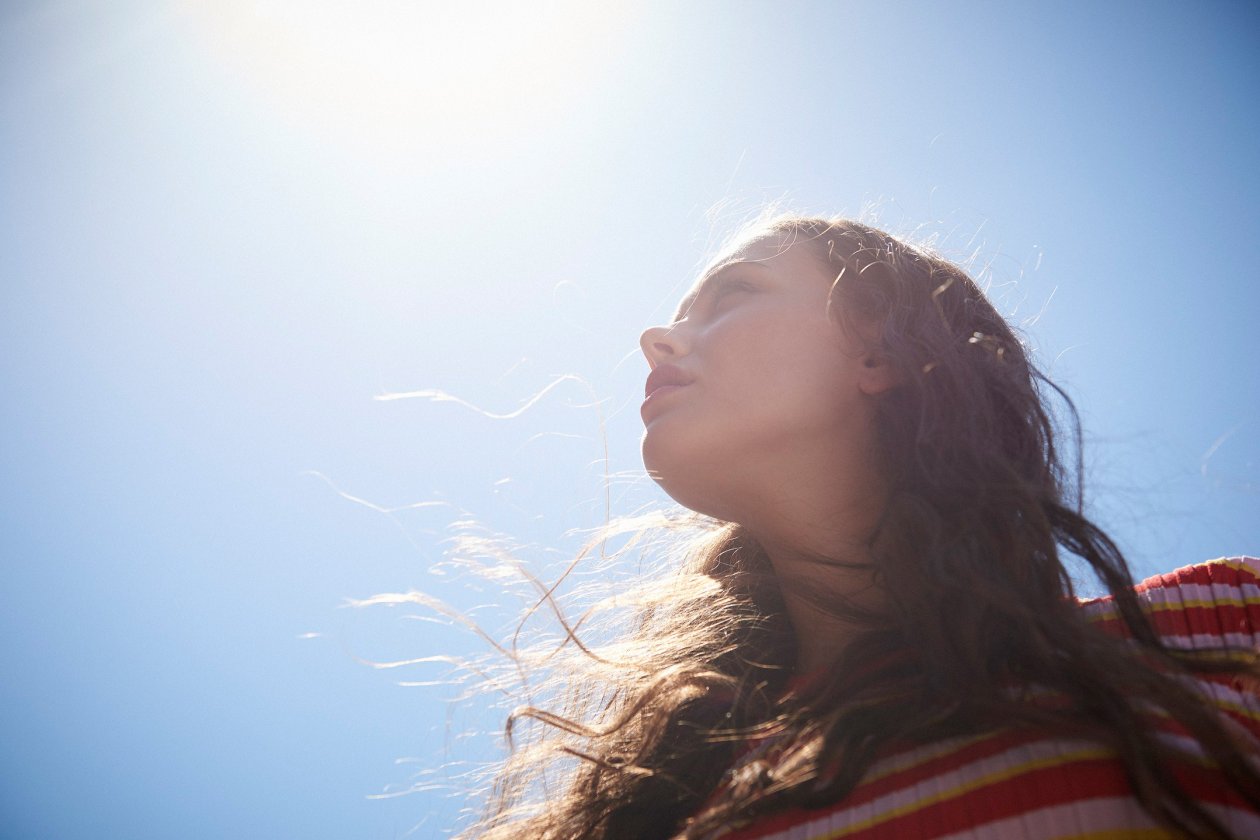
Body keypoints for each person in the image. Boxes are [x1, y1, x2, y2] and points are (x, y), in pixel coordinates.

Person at [463, 215, 1260, 839]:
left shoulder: (1219, 635)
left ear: (879, 352)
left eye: (732, 293)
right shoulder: (667, 806)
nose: (658, 337)